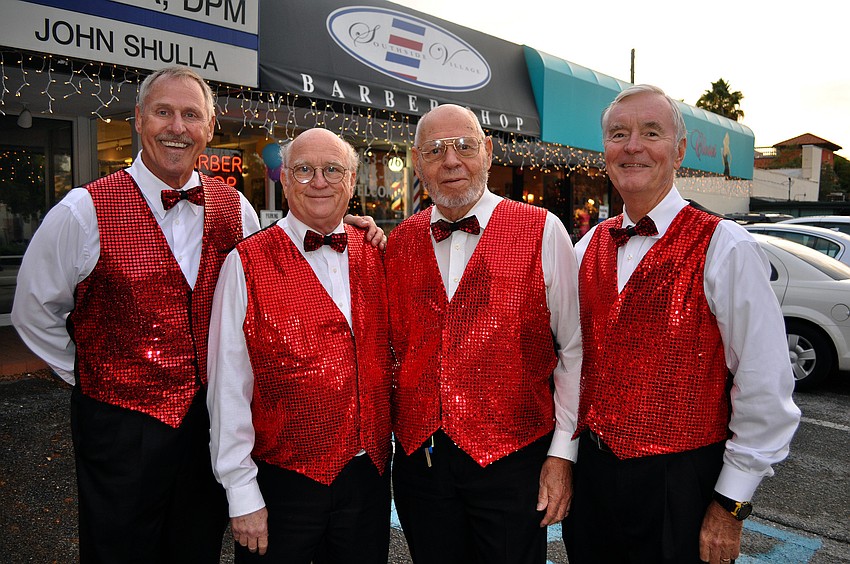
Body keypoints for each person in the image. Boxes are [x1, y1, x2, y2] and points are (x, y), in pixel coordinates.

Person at [11, 66, 383, 563]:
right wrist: (92, 374)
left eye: (191, 115)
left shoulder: (237, 208)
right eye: (164, 112)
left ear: (209, 129)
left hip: (207, 419)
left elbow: (275, 271)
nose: (177, 127)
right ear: (139, 120)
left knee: (197, 545)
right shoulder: (83, 210)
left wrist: (357, 226)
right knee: (118, 548)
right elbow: (34, 311)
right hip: (122, 422)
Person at [564, 84, 801, 564]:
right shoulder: (586, 245)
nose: (633, 146)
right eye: (618, 133)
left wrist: (730, 503)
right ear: (604, 149)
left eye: (651, 133)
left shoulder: (726, 246)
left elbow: (765, 383)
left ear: (680, 151)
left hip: (682, 483)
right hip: (592, 479)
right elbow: (568, 360)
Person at [385, 104, 582, 564]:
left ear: (489, 152)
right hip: (422, 461)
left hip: (513, 461)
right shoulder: (398, 242)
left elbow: (573, 349)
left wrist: (562, 454)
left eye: (464, 146)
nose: (451, 160)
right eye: (435, 150)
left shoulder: (543, 231)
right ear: (418, 162)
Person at [207, 128, 393, 563]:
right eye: (305, 170)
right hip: (282, 481)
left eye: (332, 170)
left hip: (367, 478)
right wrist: (241, 492)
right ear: (285, 179)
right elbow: (229, 386)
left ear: (352, 180)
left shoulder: (379, 254)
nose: (320, 181)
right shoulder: (245, 262)